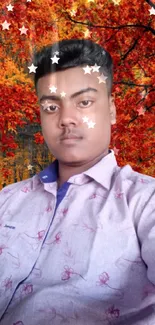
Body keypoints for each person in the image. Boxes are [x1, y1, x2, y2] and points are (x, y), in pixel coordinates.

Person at [0, 39, 155, 325]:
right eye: (50, 107)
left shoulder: (144, 201)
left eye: (84, 102)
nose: (66, 119)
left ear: (111, 109)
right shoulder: (7, 200)